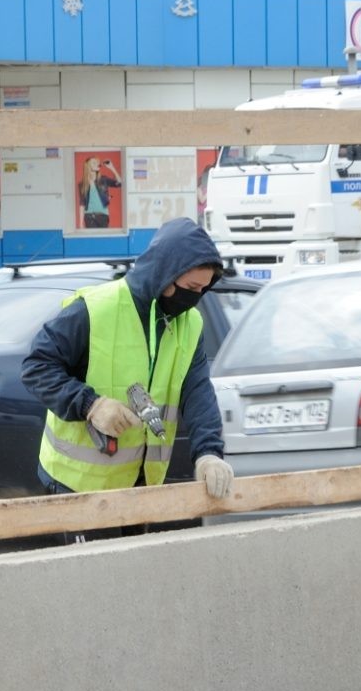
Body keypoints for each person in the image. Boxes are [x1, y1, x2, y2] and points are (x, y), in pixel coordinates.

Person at [22, 217, 234, 537]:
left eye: (203, 290)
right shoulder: (94, 310)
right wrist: (91, 405)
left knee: (129, 582)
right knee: (96, 584)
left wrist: (209, 454)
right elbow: (37, 366)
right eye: (192, 288)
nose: (195, 298)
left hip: (138, 485)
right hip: (79, 488)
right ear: (166, 275)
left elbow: (198, 393)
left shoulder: (189, 325)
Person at [78, 156, 121, 229]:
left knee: (103, 240)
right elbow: (82, 204)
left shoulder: (103, 179)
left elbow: (119, 183)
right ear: (88, 166)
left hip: (103, 216)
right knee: (92, 240)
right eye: (94, 163)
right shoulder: (82, 184)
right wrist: (81, 223)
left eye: (97, 162)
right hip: (89, 217)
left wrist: (112, 168)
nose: (97, 164)